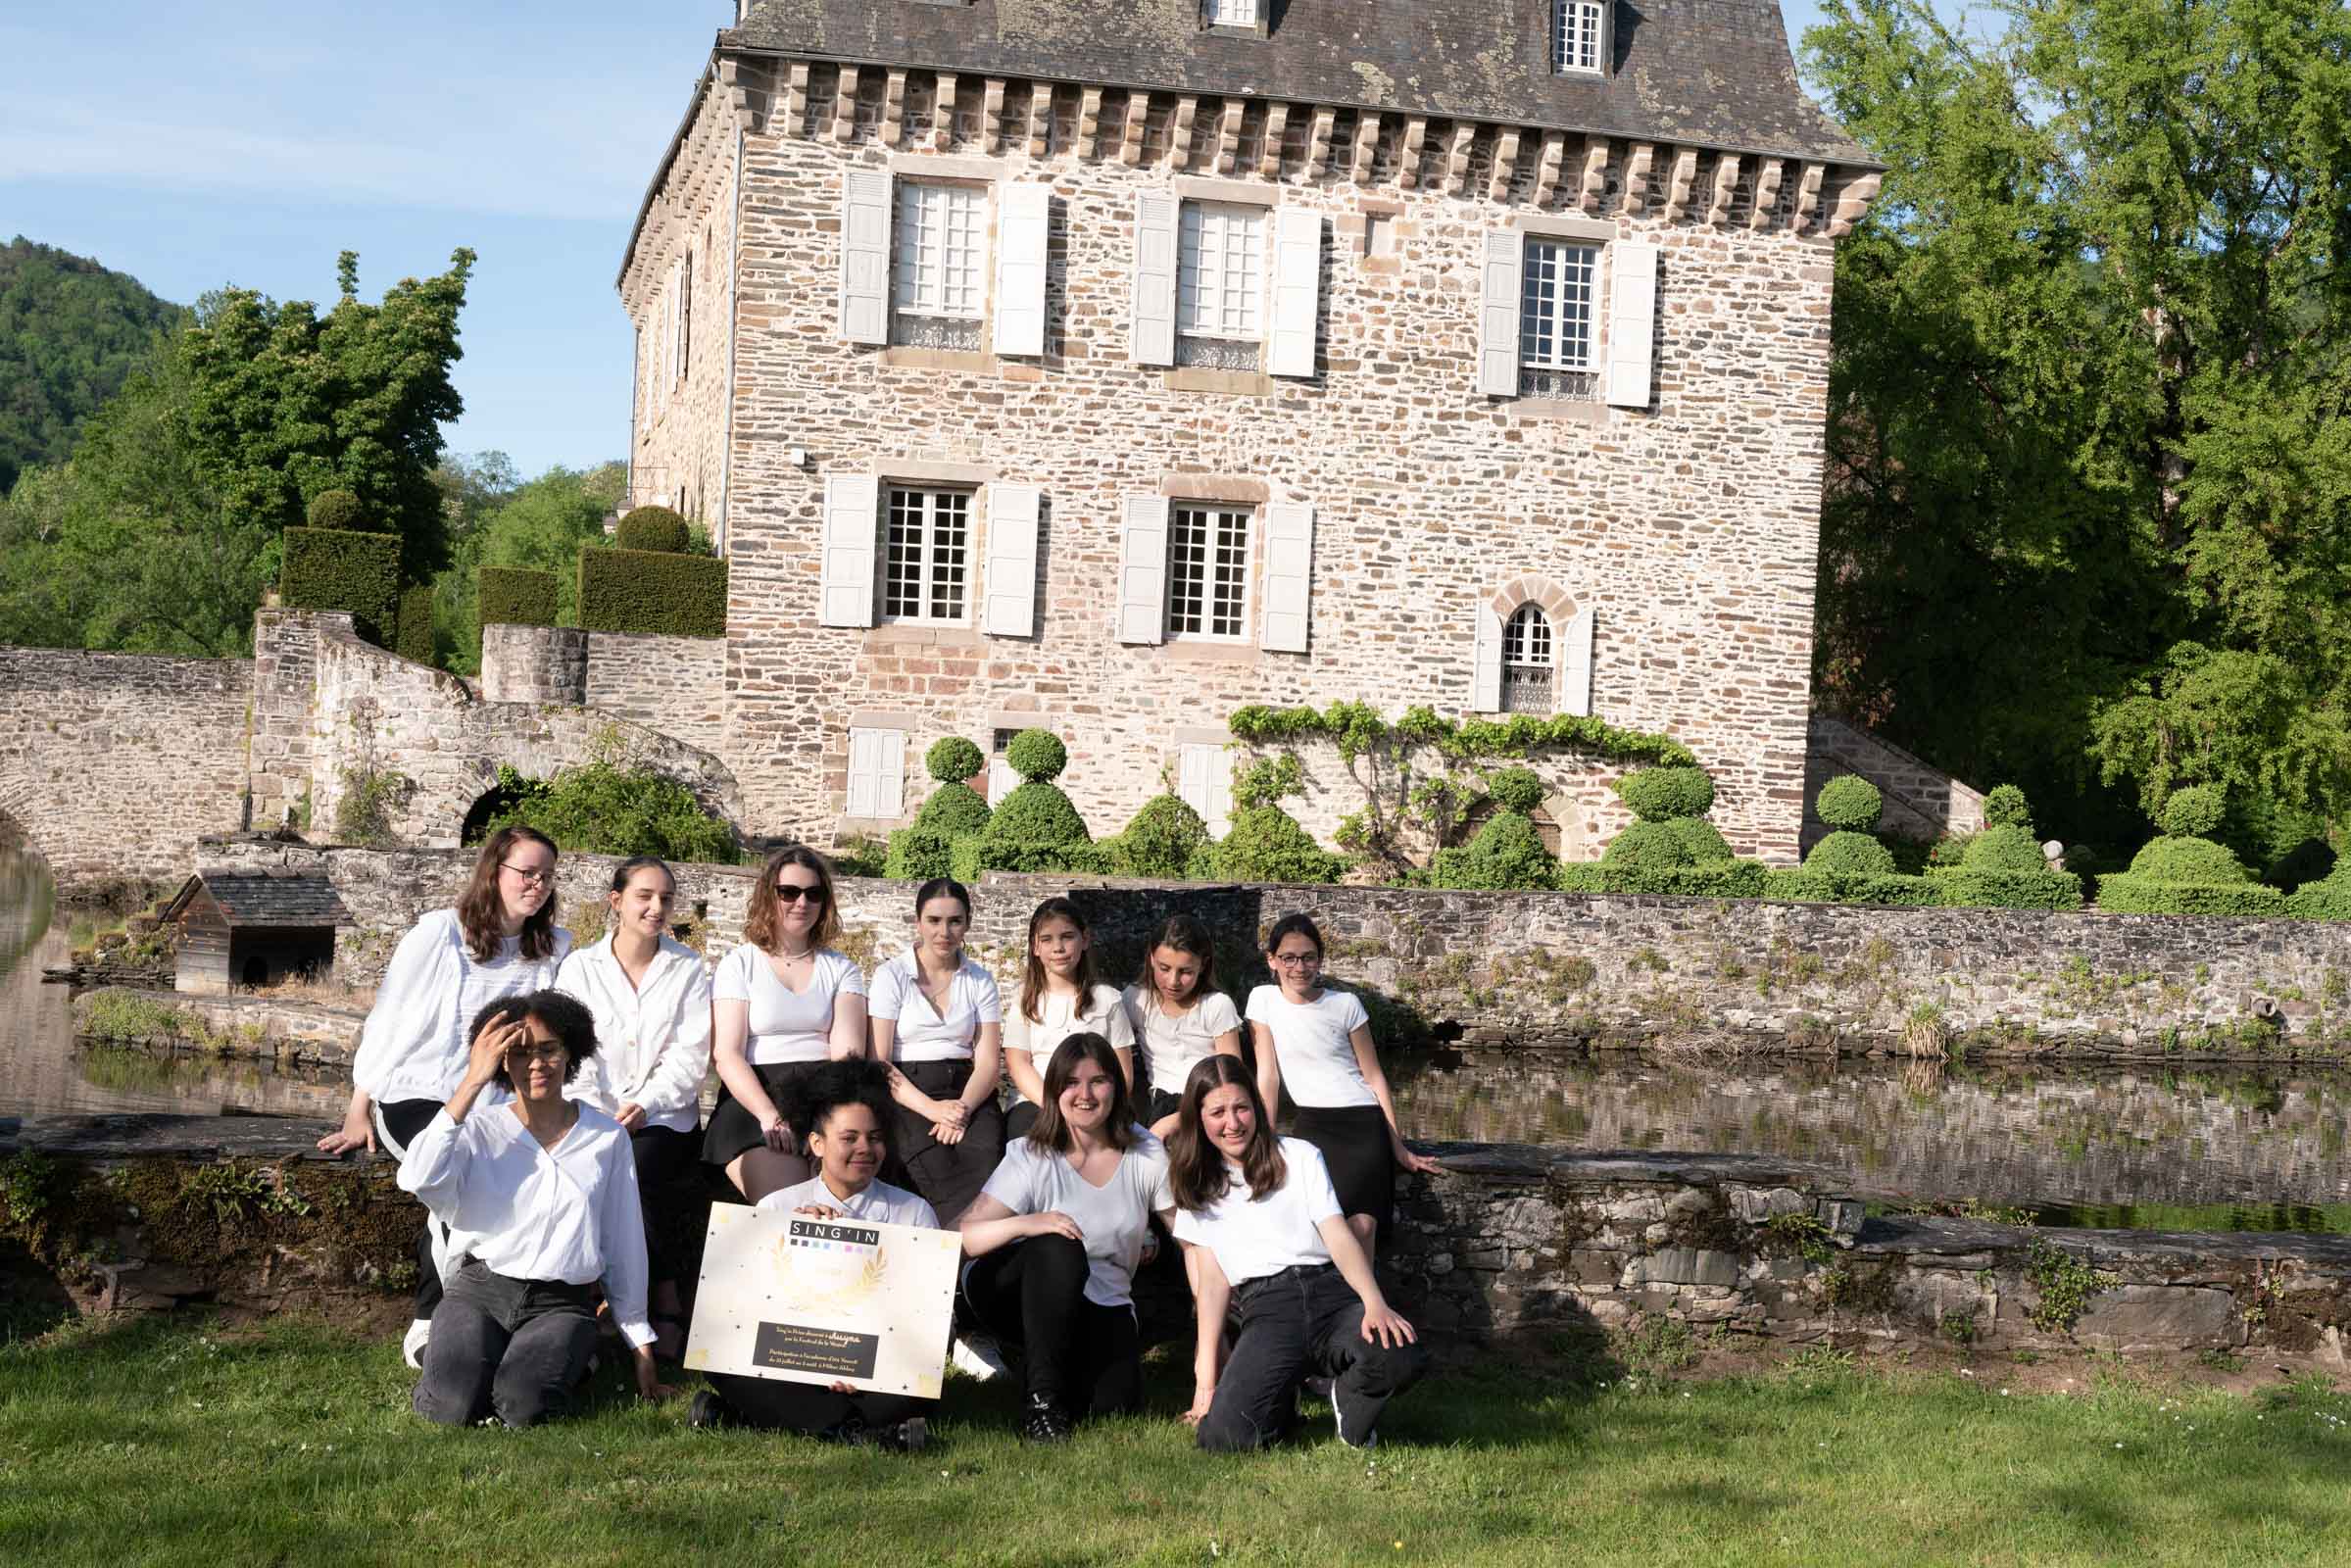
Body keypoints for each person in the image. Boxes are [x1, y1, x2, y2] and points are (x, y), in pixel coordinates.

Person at [318, 825, 572, 1369]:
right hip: (418, 1092)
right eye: (527, 873)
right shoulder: (439, 934)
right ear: (494, 873)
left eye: (547, 876)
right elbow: (392, 1018)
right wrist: (359, 1106)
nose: (538, 884)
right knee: (453, 1173)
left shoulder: (553, 948)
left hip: (495, 1103)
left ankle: (506, 1317)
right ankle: (428, 1323)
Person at [399, 990, 671, 1427]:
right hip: (479, 1291)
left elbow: (623, 1244)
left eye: (549, 1050)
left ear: (570, 1053)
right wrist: (472, 1082)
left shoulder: (607, 1138)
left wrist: (641, 1348)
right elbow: (416, 1177)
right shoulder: (478, 1129)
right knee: (450, 1408)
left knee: (523, 1407)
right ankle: (460, 1358)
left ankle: (570, 1356)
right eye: (520, 1053)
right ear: (502, 1061)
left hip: (560, 1302)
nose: (537, 1064)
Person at [1166, 1055, 1428, 1451]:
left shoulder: (1300, 1155)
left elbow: (1337, 1235)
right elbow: (1212, 1283)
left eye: (1241, 1108)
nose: (1233, 1123)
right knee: (1223, 1440)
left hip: (1331, 1297)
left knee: (1401, 1355)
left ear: (1256, 1105)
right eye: (1218, 1112)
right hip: (1267, 1310)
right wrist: (1206, 1382)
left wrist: (1374, 1302)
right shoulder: (1197, 1184)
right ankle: (1281, 1401)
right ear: (1198, 1118)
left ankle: (1349, 1401)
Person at [690, 1059, 937, 1450]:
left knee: (917, 1378)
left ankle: (750, 1416)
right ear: (817, 1143)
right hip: (788, 1363)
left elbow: (925, 1317)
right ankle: (858, 1432)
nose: (865, 1149)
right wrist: (790, 1237)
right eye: (849, 1138)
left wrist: (870, 1367)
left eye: (874, 1138)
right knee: (720, 1359)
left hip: (875, 1366)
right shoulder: (777, 1207)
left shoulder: (913, 1212)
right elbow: (741, 1309)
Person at [957, 1032, 1173, 1442]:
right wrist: (1026, 1224)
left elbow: (1191, 1239)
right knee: (1058, 1244)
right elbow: (963, 1237)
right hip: (1015, 1289)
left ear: (1117, 1086)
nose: (1084, 1094)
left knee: (1113, 1404)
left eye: (1098, 1081)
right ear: (1054, 1089)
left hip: (1103, 1296)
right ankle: (1041, 1403)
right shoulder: (1031, 1152)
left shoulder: (1145, 1152)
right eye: (1071, 1082)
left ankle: (1047, 1367)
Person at [554, 856, 711, 1360]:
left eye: (665, 898)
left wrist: (646, 1102)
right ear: (616, 901)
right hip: (592, 1112)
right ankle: (598, 1295)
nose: (656, 907)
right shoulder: (580, 967)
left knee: (637, 1170)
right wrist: (598, 1113)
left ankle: (650, 1296)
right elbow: (572, 1050)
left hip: (665, 1118)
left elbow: (691, 1056)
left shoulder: (687, 968)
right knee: (590, 1164)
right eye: (644, 896)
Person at [1247, 911, 1440, 1250]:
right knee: (1316, 1228)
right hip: (1312, 1124)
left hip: (1362, 1123)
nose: (1299, 967)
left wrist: (1398, 1146)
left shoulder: (1346, 1004)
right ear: (1272, 961)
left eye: (1308, 957)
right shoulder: (1262, 1000)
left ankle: (1365, 1304)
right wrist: (1265, 1137)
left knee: (1362, 1227)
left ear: (1320, 960)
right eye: (1288, 958)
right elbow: (1268, 1077)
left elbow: (1374, 1077)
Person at [704, 846, 867, 1203]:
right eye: (788, 892)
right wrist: (770, 1117)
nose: (801, 903)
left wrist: (826, 1122)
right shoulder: (740, 964)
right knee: (796, 1206)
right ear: (769, 896)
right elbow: (727, 1054)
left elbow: (847, 1058)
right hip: (756, 1100)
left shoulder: (842, 970)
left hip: (824, 1098)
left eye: (813, 893)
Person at [867, 877, 1005, 1225]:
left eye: (955, 921)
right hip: (908, 1091)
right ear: (918, 922)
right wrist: (932, 1110)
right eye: (934, 920)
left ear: (967, 925)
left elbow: (988, 1062)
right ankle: (956, 1257)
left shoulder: (980, 980)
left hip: (968, 1091)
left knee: (987, 1160)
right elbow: (879, 1061)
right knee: (933, 1166)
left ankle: (972, 1259)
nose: (944, 931)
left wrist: (960, 1110)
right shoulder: (892, 976)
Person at [1002, 897, 1134, 1143]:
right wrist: (1055, 1106)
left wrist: (1095, 1106)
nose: (1058, 948)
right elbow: (1018, 1064)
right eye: (1047, 939)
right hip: (1037, 1103)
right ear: (1035, 947)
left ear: (1085, 940)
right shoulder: (1025, 1000)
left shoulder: (1107, 1000)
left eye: (1067, 937)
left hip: (1094, 1104)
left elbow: (1123, 1072)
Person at [1120, 912, 1243, 1139]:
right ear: (1151, 959)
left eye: (1186, 972)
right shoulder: (1135, 999)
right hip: (1159, 1102)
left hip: (1208, 1104)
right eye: (1164, 968)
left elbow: (1232, 1076)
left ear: (1203, 966)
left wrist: (1181, 1118)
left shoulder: (1216, 1005)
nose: (1173, 981)